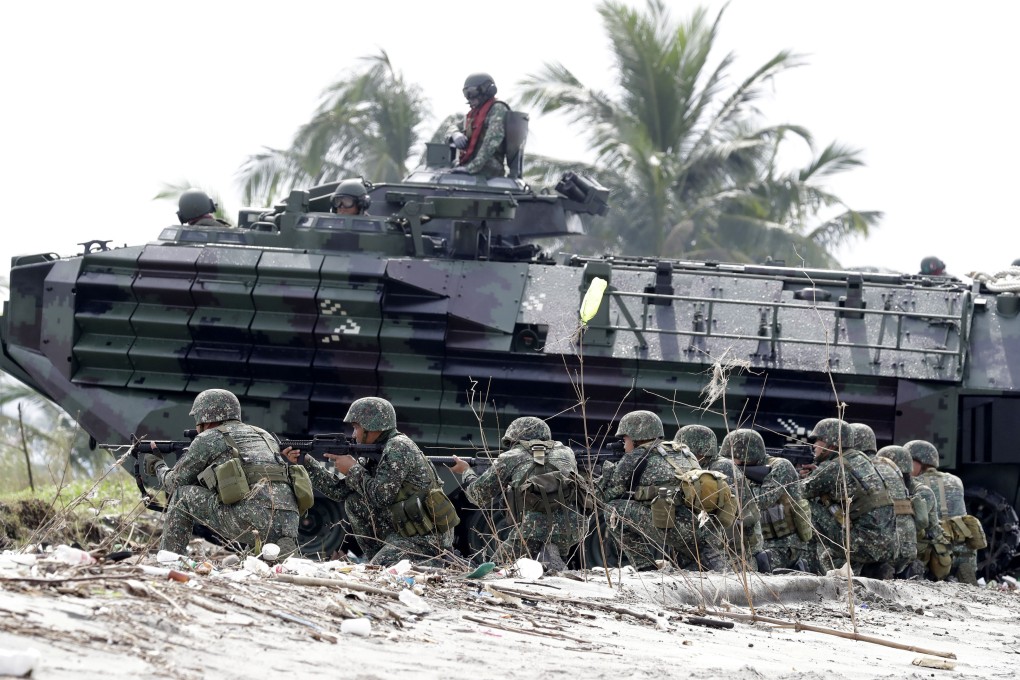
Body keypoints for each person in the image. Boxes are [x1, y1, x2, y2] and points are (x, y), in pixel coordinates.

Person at [284, 397, 454, 565]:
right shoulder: (376, 451)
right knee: (354, 501)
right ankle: (379, 556)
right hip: (409, 530)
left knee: (381, 566)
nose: (353, 434)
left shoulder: (398, 447)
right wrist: (307, 462)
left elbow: (381, 497)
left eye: (356, 427)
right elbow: (340, 492)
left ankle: (427, 561)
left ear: (372, 426)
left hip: (426, 537)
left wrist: (352, 469)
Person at [144, 389, 300, 557]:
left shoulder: (208, 438)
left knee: (182, 495)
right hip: (290, 521)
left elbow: (174, 483)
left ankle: (169, 559)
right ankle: (273, 550)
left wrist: (158, 464)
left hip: (252, 519)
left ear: (204, 417)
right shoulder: (264, 435)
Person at [450, 417, 585, 571]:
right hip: (573, 527)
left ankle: (546, 560)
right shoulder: (566, 452)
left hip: (532, 529)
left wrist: (466, 471)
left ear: (515, 438)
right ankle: (552, 558)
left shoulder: (511, 456)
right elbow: (542, 464)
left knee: (499, 568)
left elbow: (477, 496)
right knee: (550, 559)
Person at [597, 410, 725, 571]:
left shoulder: (635, 456)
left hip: (679, 531)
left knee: (614, 509)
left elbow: (606, 496)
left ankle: (644, 566)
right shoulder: (681, 451)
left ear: (636, 437)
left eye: (624, 439)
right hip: (706, 527)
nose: (623, 444)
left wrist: (606, 474)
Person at [801, 418, 897, 577]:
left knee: (802, 505)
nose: (814, 446)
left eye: (818, 440)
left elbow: (798, 492)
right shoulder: (860, 458)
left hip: (864, 546)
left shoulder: (834, 467)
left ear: (831, 443)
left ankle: (807, 568)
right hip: (887, 547)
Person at [676, 424, 766, 572]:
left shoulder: (721, 468)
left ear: (699, 452)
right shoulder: (701, 469)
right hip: (723, 550)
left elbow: (720, 513)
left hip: (735, 556)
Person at [724, 428, 813, 572]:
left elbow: (761, 501)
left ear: (746, 455)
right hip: (761, 543)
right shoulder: (746, 471)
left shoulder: (781, 466)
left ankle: (797, 568)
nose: (728, 462)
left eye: (731, 457)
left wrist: (736, 479)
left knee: (749, 568)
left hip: (786, 544)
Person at [907, 439, 985, 585]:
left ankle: (922, 571)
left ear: (919, 462)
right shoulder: (956, 480)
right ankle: (961, 568)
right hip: (962, 548)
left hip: (936, 552)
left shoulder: (915, 484)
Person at [877, 445, 947, 579]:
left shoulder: (875, 489)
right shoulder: (923, 491)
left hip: (882, 549)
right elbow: (933, 530)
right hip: (910, 552)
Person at [446, 73, 509, 178]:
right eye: (466, 93)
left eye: (472, 92)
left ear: (488, 90)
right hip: (468, 166)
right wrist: (455, 133)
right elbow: (452, 126)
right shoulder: (474, 114)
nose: (469, 97)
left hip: (488, 169)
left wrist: (471, 168)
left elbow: (492, 141)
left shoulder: (498, 109)